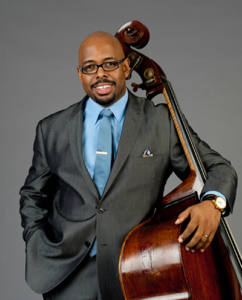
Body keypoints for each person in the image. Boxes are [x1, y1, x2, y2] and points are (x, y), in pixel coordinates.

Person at [19, 31, 237, 300]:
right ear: (80, 73)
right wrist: (35, 239)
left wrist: (212, 204)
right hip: (66, 277)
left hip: (137, 274)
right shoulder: (51, 129)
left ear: (126, 67)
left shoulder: (161, 123)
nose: (100, 74)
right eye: (90, 67)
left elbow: (219, 168)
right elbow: (33, 195)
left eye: (110, 63)